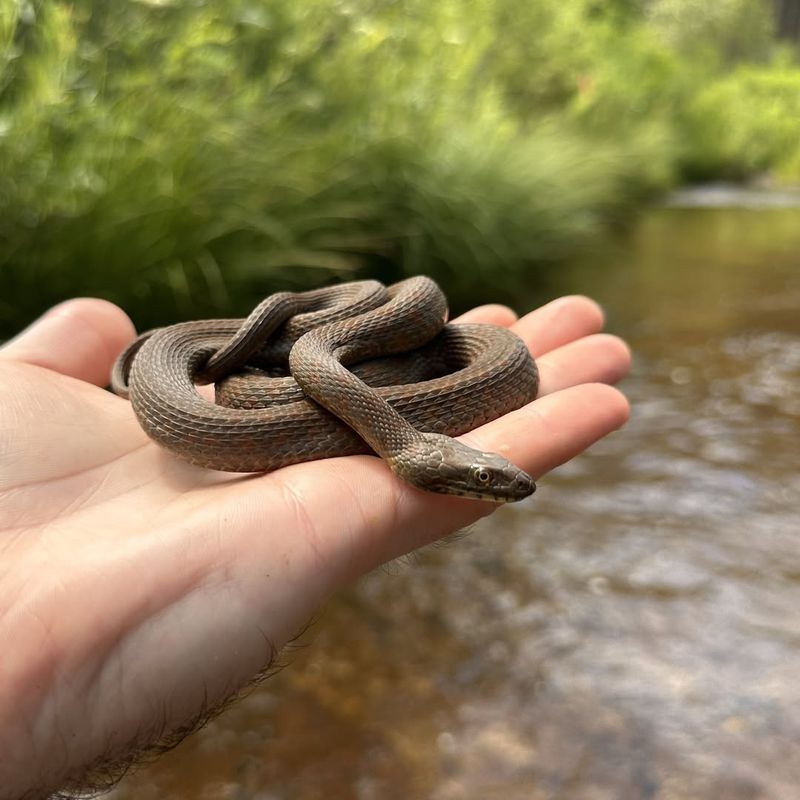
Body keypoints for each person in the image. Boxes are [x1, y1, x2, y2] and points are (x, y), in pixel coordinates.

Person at [0, 295, 630, 799]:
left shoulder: (394, 366)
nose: (495, 482)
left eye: (484, 475)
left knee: (357, 363)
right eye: (482, 479)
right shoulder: (323, 393)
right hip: (305, 365)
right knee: (314, 368)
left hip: (335, 358)